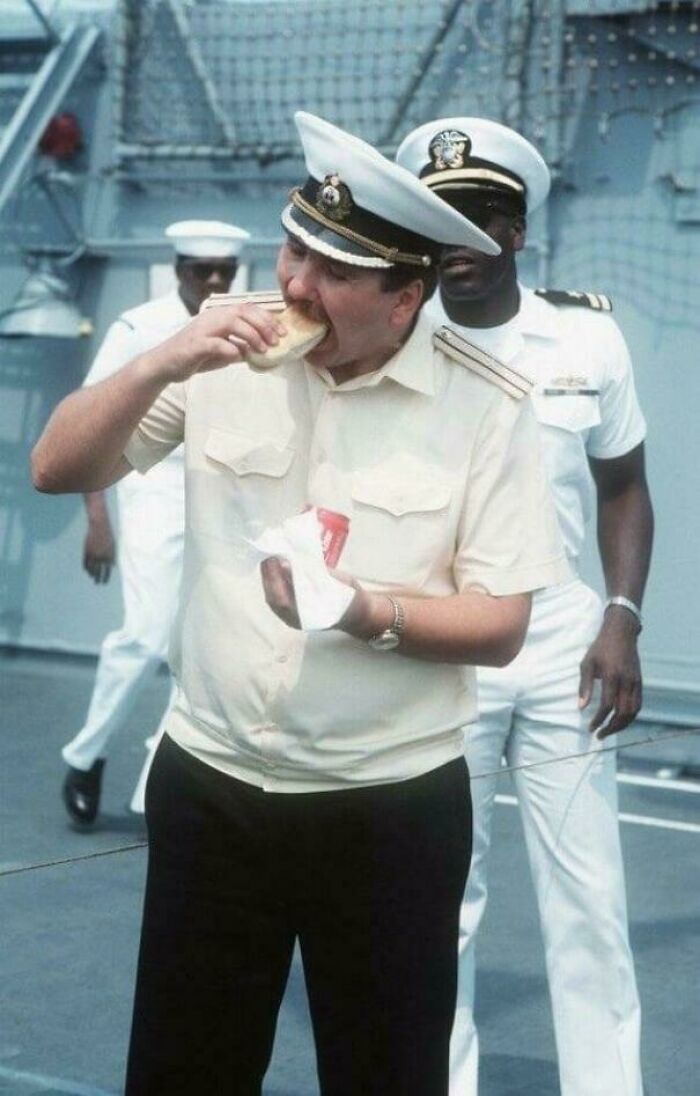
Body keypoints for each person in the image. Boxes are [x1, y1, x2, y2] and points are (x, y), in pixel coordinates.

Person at [32, 111, 569, 1096]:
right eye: (292, 249)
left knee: (383, 1074)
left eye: (333, 272)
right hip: (214, 786)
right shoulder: (219, 357)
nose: (292, 285)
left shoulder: (486, 407)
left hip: (388, 809)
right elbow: (55, 462)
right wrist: (162, 358)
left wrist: (362, 610)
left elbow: (501, 623)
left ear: (405, 297)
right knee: (183, 1071)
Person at [396, 117, 654, 1096]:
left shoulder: (584, 334)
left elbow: (624, 483)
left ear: (514, 232)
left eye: (476, 220)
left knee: (589, 898)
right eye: (434, 221)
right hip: (439, 642)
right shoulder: (393, 334)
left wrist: (621, 614)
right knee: (437, 902)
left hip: (561, 641)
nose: (453, 243)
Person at [60, 220, 249, 824]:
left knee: (200, 644)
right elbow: (91, 422)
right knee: (144, 634)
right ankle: (86, 753)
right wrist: (97, 520)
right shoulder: (138, 328)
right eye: (202, 270)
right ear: (178, 271)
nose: (215, 280)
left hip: (224, 489)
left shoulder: (248, 323)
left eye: (224, 270)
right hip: (150, 486)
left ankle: (152, 790)